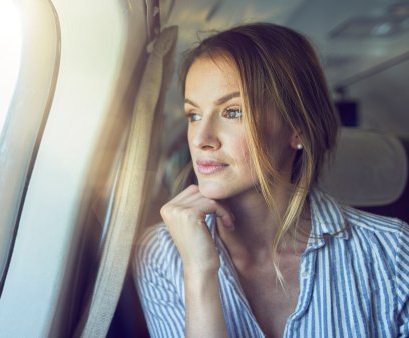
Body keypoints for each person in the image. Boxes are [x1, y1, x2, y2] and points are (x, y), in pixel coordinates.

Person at [133, 22, 409, 338]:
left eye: (233, 112)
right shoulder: (162, 252)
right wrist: (199, 273)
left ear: (298, 129)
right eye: (193, 115)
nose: (201, 139)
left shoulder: (391, 251)